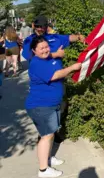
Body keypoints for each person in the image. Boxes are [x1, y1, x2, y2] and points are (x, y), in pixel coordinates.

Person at [26, 36, 82, 177]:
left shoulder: (49, 58)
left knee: (49, 134)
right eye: (41, 48)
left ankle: (48, 158)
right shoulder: (36, 63)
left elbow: (58, 70)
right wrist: (72, 68)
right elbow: (55, 75)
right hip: (41, 105)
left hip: (51, 104)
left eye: (46, 47)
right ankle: (43, 170)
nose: (45, 50)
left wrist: (57, 54)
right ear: (34, 50)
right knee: (46, 135)